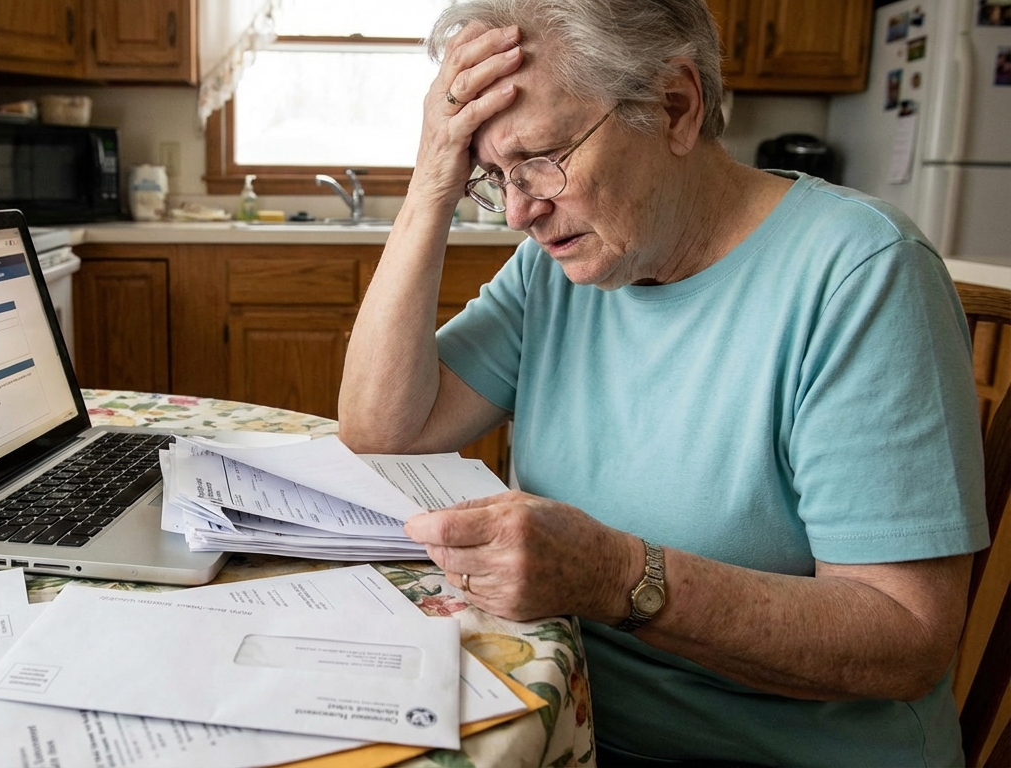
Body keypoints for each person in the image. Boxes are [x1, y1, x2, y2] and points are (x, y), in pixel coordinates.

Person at [335, 0, 989, 765]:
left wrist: (618, 575)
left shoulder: (861, 276)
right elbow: (385, 427)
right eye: (492, 176)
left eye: (543, 156)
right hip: (564, 724)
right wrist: (428, 185)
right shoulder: (563, 269)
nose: (519, 212)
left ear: (675, 106)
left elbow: (904, 639)